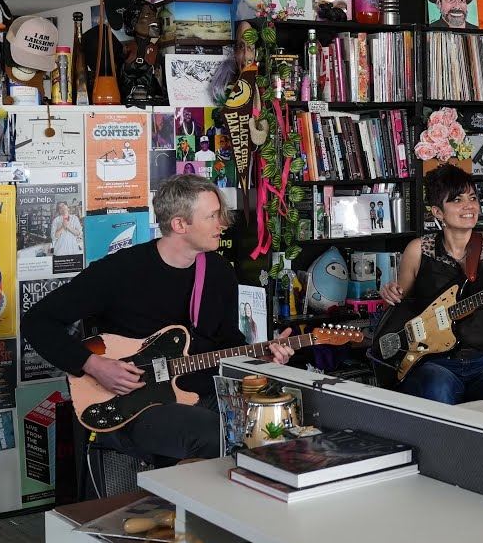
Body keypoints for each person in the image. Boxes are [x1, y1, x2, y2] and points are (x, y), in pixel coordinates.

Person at [21, 175, 294, 462]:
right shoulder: (120, 271)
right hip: (132, 405)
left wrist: (261, 358)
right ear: (179, 224)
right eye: (212, 216)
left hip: (202, 394)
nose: (222, 224)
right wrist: (93, 364)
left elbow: (229, 342)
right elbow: (37, 321)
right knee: (215, 435)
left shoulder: (219, 271)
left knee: (273, 428)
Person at [380, 164, 483, 407]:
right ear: (437, 212)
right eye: (457, 200)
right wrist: (389, 293)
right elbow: (401, 307)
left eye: (473, 198)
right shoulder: (418, 250)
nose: (469, 206)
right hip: (436, 363)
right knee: (436, 391)